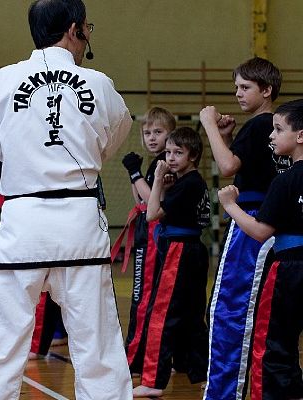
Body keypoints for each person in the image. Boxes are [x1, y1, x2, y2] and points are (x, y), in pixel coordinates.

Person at [0, 0, 133, 399]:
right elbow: (112, 138)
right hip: (81, 225)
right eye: (87, 28)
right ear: (75, 29)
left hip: (23, 226)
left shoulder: (4, 82)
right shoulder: (100, 85)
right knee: (98, 346)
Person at [199, 57, 288, 400]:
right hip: (272, 224)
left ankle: (223, 393)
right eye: (236, 86)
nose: (237, 93)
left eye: (245, 87)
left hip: (250, 221)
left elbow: (226, 167)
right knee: (256, 313)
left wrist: (208, 124)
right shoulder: (272, 129)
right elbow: (241, 164)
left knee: (229, 310)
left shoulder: (260, 124)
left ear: (267, 90)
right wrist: (226, 137)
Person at [218, 99, 303, 400]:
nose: (271, 135)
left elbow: (260, 231)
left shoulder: (285, 180)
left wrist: (230, 205)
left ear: (300, 136)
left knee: (274, 343)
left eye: (278, 129)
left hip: (289, 269)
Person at [133, 127, 210, 398]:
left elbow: (151, 214)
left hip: (179, 251)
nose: (171, 158)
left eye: (178, 153)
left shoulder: (188, 183)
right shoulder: (191, 182)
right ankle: (203, 373)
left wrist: (156, 180)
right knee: (192, 316)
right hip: (193, 250)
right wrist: (165, 187)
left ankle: (153, 381)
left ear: (193, 156)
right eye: (168, 152)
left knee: (161, 315)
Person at [119, 107, 178, 373]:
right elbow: (140, 200)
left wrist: (135, 173)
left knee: (143, 296)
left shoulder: (165, 163)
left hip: (155, 234)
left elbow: (154, 199)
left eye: (158, 132)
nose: (152, 137)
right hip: (147, 228)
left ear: (170, 134)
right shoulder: (156, 163)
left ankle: (135, 357)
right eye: (147, 133)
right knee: (145, 295)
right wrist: (135, 175)